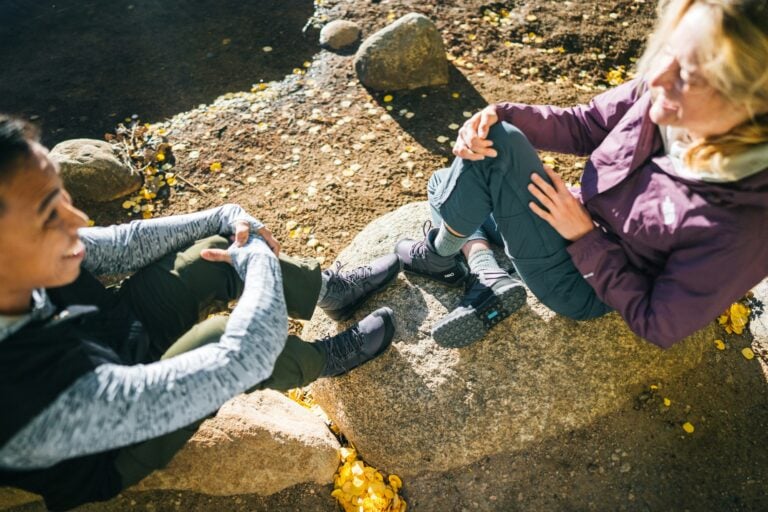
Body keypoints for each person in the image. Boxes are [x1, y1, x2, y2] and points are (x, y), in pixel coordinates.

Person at [0, 116, 401, 510]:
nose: (78, 220)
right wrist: (256, 259)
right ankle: (323, 359)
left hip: (111, 331)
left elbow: (121, 244)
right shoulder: (25, 397)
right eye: (50, 213)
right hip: (115, 443)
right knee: (219, 336)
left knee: (213, 253)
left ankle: (331, 292)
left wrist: (225, 216)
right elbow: (243, 355)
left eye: (63, 196)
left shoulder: (24, 260)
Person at [396, 0, 768, 348]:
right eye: (669, 49)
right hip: (569, 215)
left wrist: (586, 238)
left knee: (486, 160)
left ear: (752, 102)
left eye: (687, 75)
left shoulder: (748, 224)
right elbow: (586, 125)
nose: (656, 79)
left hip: (581, 283)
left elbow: (657, 323)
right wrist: (501, 113)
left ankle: (437, 255)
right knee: (444, 181)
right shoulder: (663, 88)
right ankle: (484, 270)